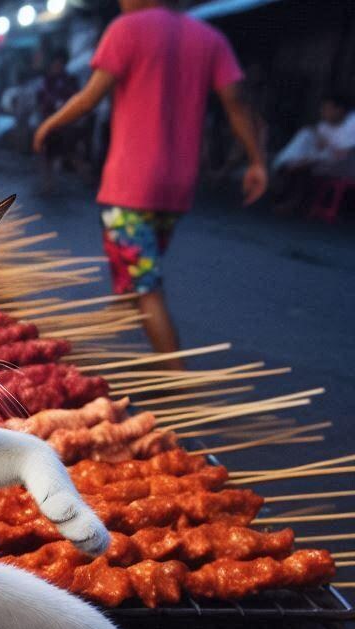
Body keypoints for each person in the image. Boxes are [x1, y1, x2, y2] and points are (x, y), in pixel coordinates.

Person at [33, 0, 266, 363]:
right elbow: (235, 100)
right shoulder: (208, 37)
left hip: (130, 185)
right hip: (176, 189)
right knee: (135, 270)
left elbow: (90, 96)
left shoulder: (126, 29)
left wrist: (50, 123)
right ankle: (104, 343)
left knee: (146, 285)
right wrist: (257, 161)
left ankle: (178, 379)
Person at [271, 94, 355, 212]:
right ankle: (285, 164)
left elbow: (343, 154)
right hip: (324, 159)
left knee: (306, 164)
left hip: (346, 164)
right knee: (305, 135)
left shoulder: (352, 124)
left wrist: (322, 147)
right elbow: (319, 147)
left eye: (328, 109)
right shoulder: (324, 125)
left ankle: (294, 199)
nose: (323, 112)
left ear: (339, 110)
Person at [36, 49, 78, 193]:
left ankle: (55, 183)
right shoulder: (45, 81)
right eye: (55, 63)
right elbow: (40, 100)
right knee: (46, 154)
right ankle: (47, 183)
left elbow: (74, 99)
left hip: (63, 124)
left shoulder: (69, 80)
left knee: (59, 154)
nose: (57, 66)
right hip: (48, 123)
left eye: (59, 63)